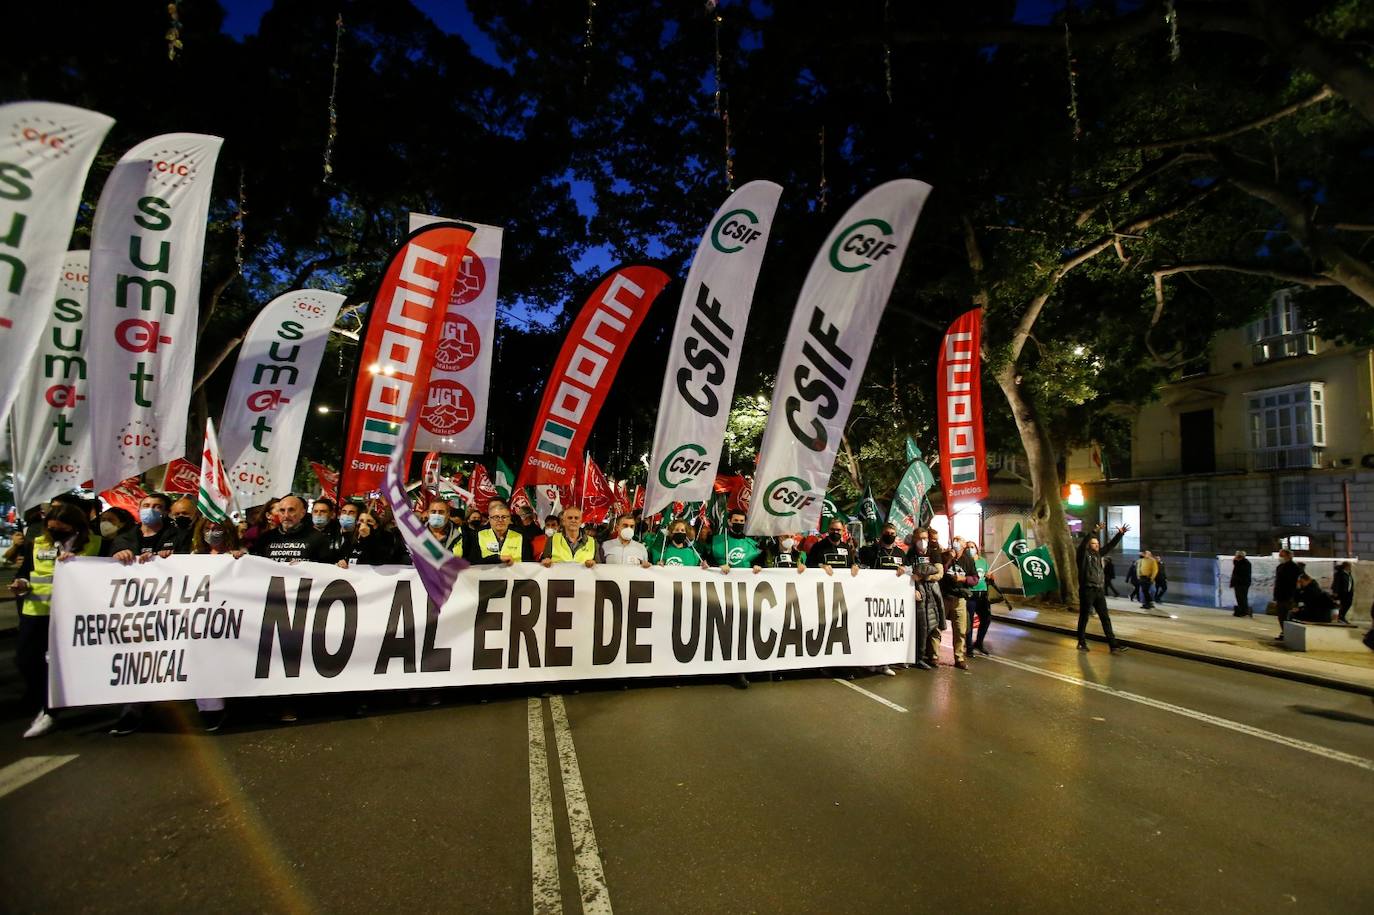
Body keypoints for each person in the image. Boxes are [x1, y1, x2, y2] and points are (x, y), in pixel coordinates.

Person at [10, 502, 103, 738]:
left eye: (61, 529)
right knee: (26, 660)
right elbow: (25, 574)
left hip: (72, 616)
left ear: (75, 527)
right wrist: (20, 584)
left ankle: (51, 711)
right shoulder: (39, 544)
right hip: (37, 612)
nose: (54, 533)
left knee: (61, 664)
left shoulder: (96, 544)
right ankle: (43, 699)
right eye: (51, 528)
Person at [188, 517, 243, 731]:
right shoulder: (192, 557)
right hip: (202, 621)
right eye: (208, 528)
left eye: (217, 528)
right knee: (204, 660)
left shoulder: (241, 555)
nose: (212, 532)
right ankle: (210, 707)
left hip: (234, 619)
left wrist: (240, 560)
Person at [1075, 522, 1129, 653]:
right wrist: (1094, 530)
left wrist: (1120, 534)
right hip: (1087, 590)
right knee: (1084, 617)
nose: (1097, 545)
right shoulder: (1083, 555)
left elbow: (1110, 545)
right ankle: (1081, 642)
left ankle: (1113, 645)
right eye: (1094, 543)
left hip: (1099, 590)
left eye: (1098, 543)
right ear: (1089, 545)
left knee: (1105, 618)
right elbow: (1083, 544)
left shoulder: (1099, 554)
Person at [251, 494, 334, 564]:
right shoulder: (265, 538)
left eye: (291, 510)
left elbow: (326, 569)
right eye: (282, 510)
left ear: (302, 513)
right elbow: (253, 564)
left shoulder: (318, 538)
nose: (286, 515)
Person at [111, 493, 181, 563]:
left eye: (157, 507)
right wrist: (118, 555)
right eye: (146, 506)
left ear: (166, 512)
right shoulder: (123, 538)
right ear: (139, 510)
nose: (150, 509)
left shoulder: (177, 536)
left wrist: (159, 556)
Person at [939, 545, 976, 670]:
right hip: (945, 597)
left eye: (960, 545)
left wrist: (964, 578)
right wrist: (949, 559)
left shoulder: (968, 560)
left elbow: (975, 579)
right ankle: (933, 655)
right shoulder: (945, 557)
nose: (957, 548)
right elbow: (941, 572)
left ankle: (959, 658)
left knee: (960, 629)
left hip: (959, 599)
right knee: (938, 627)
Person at [467, 500, 532, 565]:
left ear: (509, 519)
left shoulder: (521, 536)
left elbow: (528, 564)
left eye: (504, 517)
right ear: (489, 519)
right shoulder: (478, 535)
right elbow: (473, 562)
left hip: (513, 574)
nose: (500, 520)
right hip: (487, 574)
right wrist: (497, 558)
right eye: (496, 517)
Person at [964, 542, 993, 657]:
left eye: (972, 547)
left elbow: (988, 577)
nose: (970, 549)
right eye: (968, 547)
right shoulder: (965, 561)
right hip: (971, 594)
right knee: (969, 622)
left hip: (983, 594)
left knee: (986, 619)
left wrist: (990, 576)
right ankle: (969, 647)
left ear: (976, 548)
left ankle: (979, 642)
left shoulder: (983, 561)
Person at [1272, 549, 1301, 639]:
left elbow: (1295, 583)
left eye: (1282, 555)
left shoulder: (1294, 568)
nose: (1280, 557)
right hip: (1280, 595)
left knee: (1287, 615)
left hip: (1288, 595)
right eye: (1280, 555)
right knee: (1281, 616)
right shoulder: (1280, 567)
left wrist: (1293, 596)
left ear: (1288, 556)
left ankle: (1289, 634)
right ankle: (1284, 632)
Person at [1229, 551, 1253, 617]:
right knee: (1239, 598)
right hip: (1238, 583)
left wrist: (1236, 562)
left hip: (1243, 583)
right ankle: (1242, 610)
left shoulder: (1246, 563)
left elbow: (1241, 572)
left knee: (1242, 597)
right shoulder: (1239, 563)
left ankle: (1244, 611)